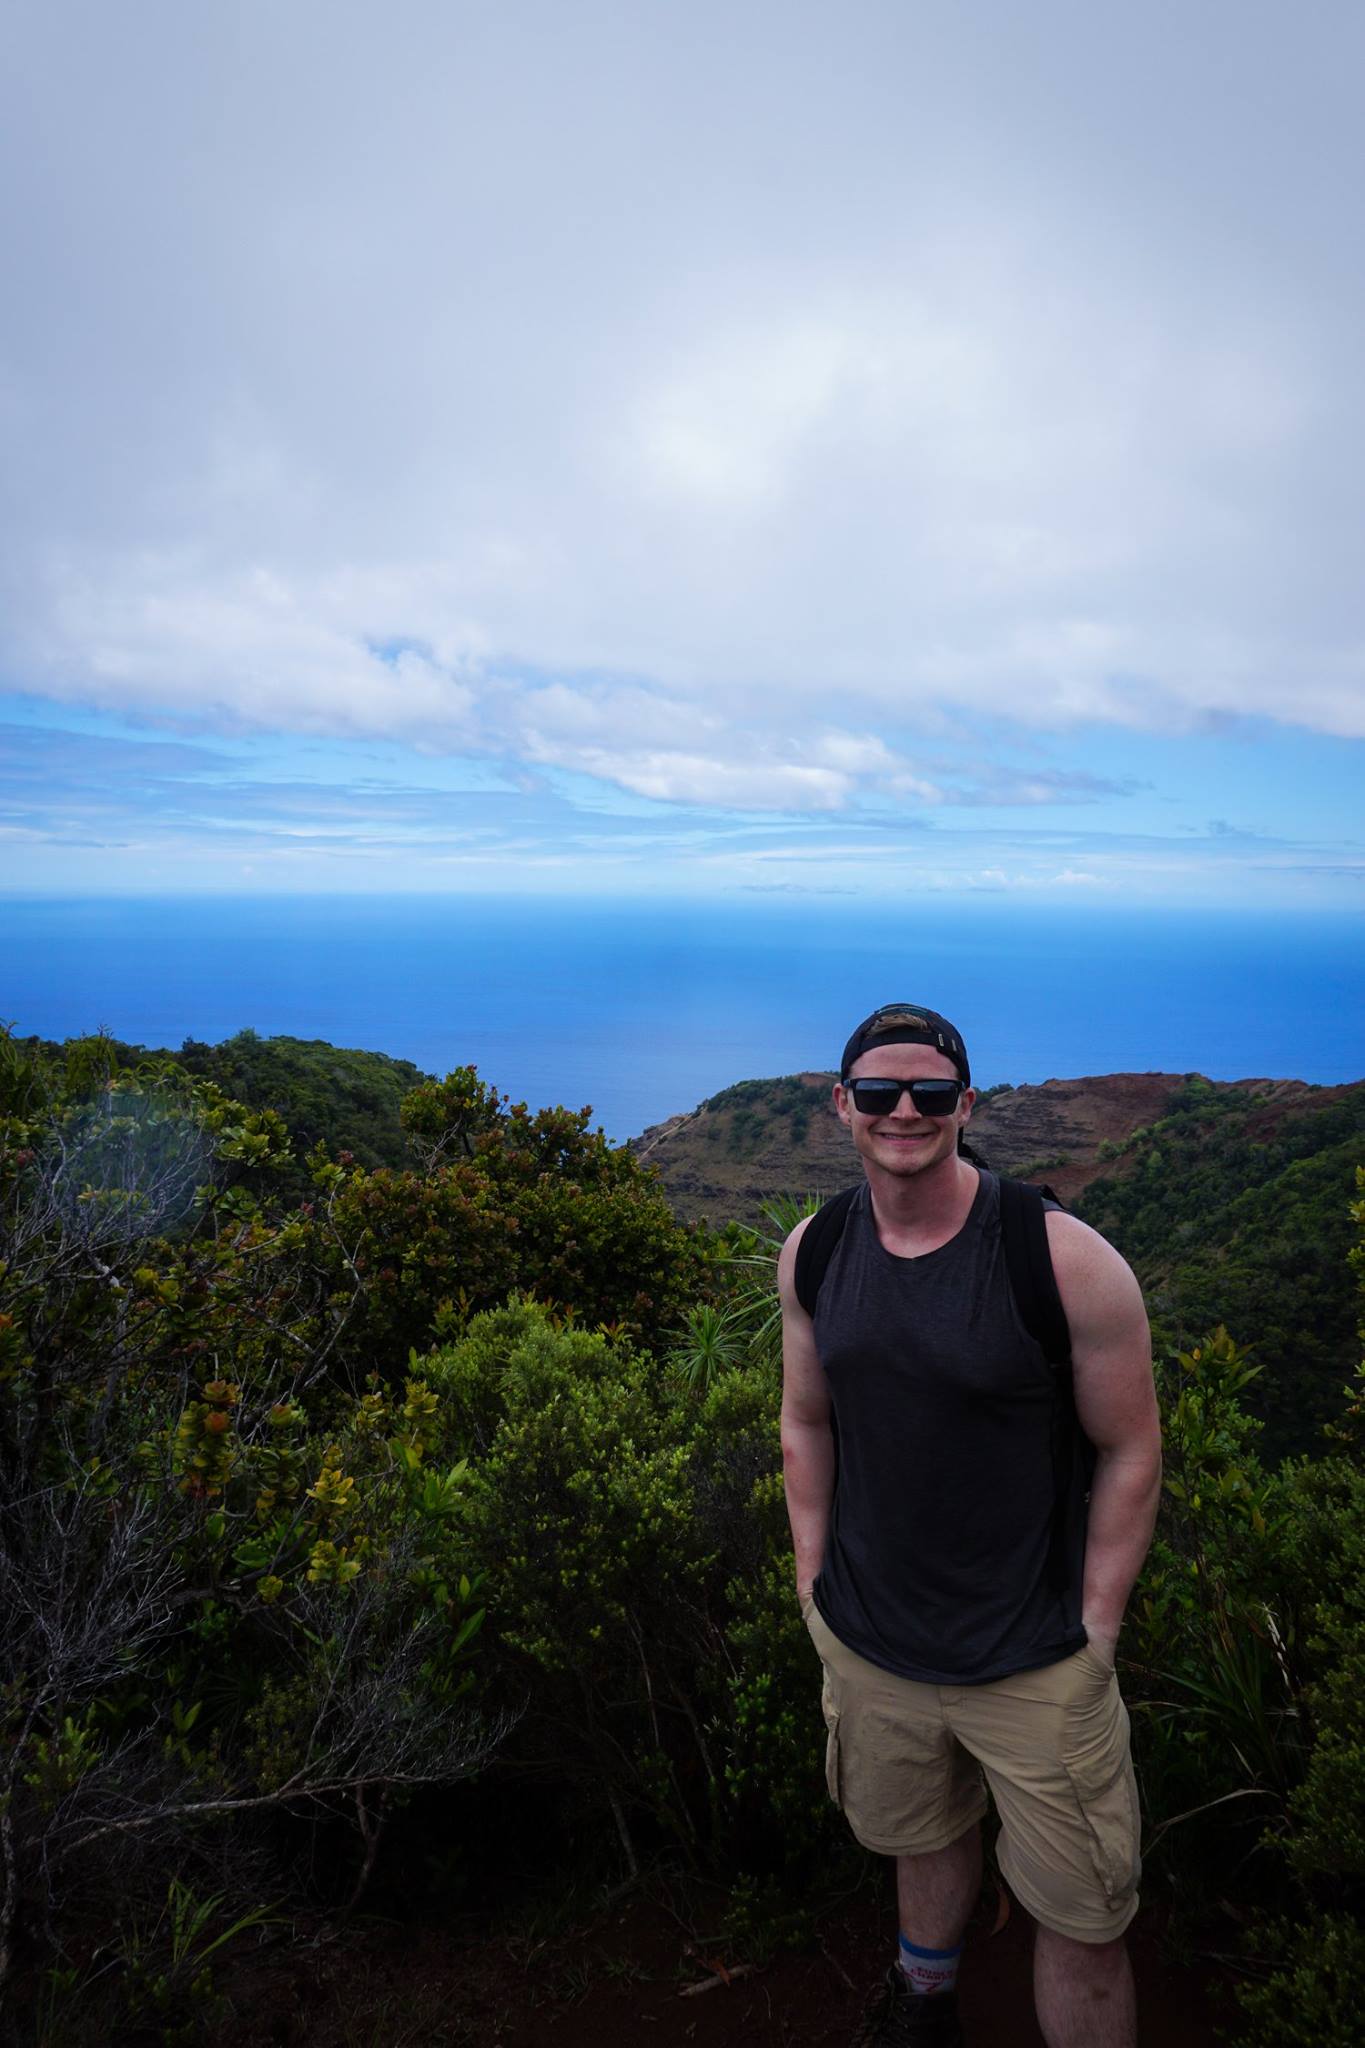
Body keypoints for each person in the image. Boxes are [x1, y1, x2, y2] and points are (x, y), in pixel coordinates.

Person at [779, 1004, 1162, 2047]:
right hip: (872, 1639)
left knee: (1082, 1913)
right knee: (922, 1834)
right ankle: (924, 2003)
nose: (904, 1110)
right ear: (842, 1104)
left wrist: (1094, 1631)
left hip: (1034, 1654)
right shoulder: (815, 1250)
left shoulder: (1063, 1259)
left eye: (931, 1092)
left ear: (966, 1104)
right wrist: (814, 1584)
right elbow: (806, 1419)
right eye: (879, 1091)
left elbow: (1131, 1449)